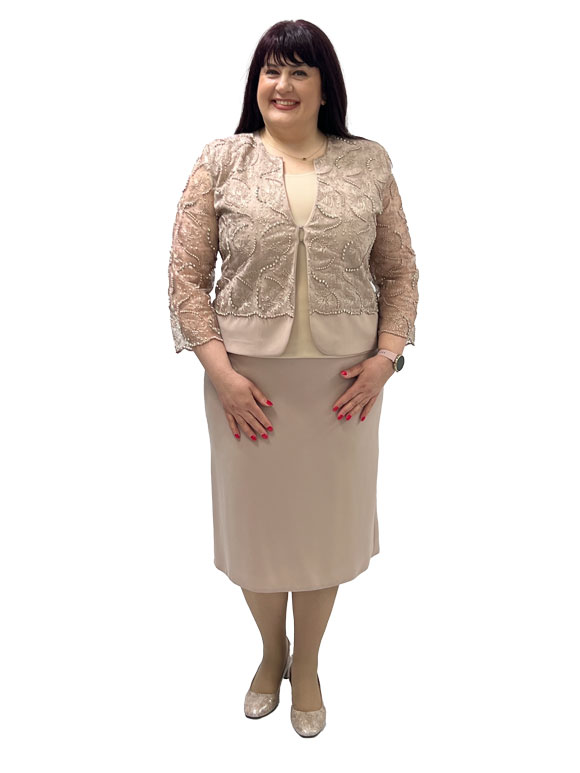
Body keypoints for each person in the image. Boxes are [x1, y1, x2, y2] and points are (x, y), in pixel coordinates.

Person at [167, 19, 419, 738]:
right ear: (256, 83)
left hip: (344, 388)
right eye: (271, 70)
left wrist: (386, 359)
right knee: (258, 531)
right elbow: (185, 278)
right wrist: (221, 375)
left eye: (299, 71)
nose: (283, 85)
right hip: (245, 385)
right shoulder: (221, 160)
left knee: (322, 531)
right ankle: (269, 649)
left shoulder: (369, 162)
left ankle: (306, 662)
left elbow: (399, 272)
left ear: (324, 87)